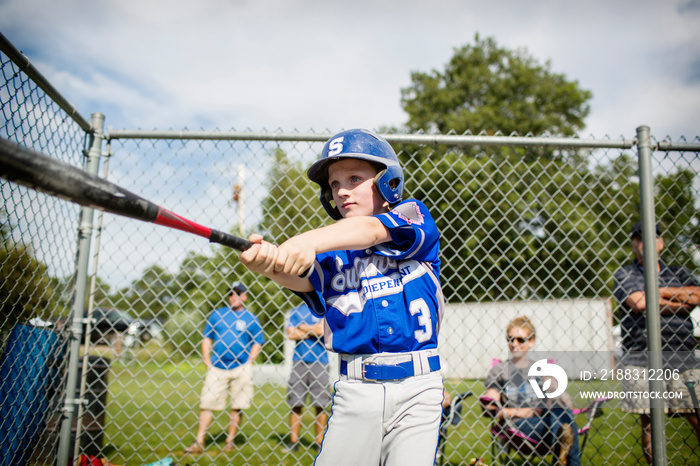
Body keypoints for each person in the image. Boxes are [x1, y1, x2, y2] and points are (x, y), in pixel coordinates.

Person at [239, 129, 445, 465]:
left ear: (387, 182)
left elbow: (369, 231)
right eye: (335, 184)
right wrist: (266, 263)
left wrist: (307, 241)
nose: (342, 191)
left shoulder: (412, 216)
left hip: (417, 390)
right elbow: (298, 277)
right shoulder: (331, 254)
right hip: (355, 389)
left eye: (354, 178)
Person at [613, 221, 700, 464]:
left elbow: (698, 295)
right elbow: (639, 304)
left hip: (681, 355)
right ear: (633, 244)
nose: (645, 242)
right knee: (650, 422)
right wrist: (681, 302)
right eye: (639, 238)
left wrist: (657, 291)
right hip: (642, 358)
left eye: (651, 237)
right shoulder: (625, 274)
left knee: (696, 415)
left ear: (660, 243)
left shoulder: (678, 271)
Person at [481, 316, 580, 466]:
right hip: (517, 426)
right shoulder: (499, 370)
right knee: (563, 426)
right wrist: (527, 411)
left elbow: (560, 395)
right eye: (510, 339)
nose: (514, 344)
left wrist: (557, 391)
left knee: (563, 413)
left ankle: (562, 447)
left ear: (531, 341)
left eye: (520, 340)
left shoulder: (541, 369)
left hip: (546, 421)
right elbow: (491, 407)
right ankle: (564, 458)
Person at [185, 281, 265, 454]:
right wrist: (206, 359)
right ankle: (200, 441)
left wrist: (250, 361)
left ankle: (230, 441)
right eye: (231, 293)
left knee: (237, 405)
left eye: (238, 293)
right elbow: (207, 338)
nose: (234, 297)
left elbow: (258, 341)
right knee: (207, 403)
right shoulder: (217, 315)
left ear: (244, 296)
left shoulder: (250, 318)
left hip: (241, 366)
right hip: (218, 366)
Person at [282, 302, 331, 453]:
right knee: (296, 402)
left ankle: (319, 442)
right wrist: (313, 330)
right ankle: (293, 442)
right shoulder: (297, 310)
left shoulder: (324, 308)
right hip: (299, 361)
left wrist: (302, 327)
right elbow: (291, 334)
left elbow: (323, 330)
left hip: (320, 361)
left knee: (320, 404)